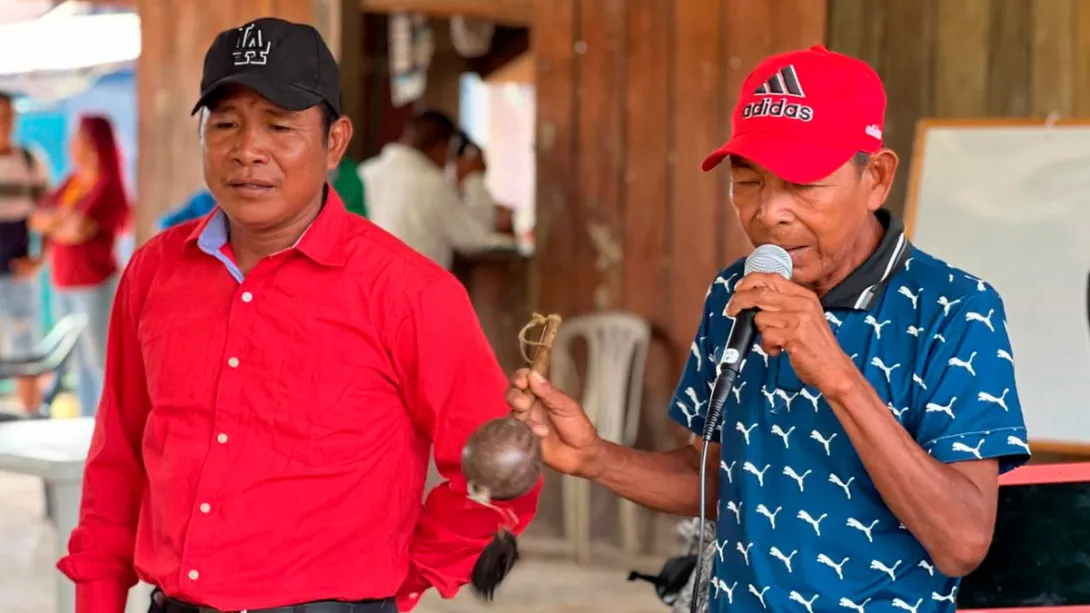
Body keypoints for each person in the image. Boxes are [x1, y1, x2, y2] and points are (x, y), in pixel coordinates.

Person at [508, 45, 1031, 612]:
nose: (769, 213)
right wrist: (596, 458)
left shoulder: (955, 310)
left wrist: (838, 376)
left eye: (803, 184)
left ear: (875, 178)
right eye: (748, 181)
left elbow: (962, 542)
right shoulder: (735, 293)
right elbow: (719, 477)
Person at [57, 17, 540, 613]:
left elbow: (503, 470)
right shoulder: (155, 273)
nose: (247, 150)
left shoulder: (410, 292)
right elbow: (117, 459)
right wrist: (97, 599)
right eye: (225, 124)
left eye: (279, 126)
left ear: (335, 142)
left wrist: (406, 580)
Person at [29, 114, 129, 418]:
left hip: (94, 282)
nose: (74, 145)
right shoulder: (73, 182)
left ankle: (108, 423)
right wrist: (62, 223)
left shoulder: (108, 186)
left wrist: (56, 223)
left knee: (99, 359)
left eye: (81, 138)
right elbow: (38, 219)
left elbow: (79, 229)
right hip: (63, 280)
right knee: (77, 361)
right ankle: (89, 423)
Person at [359, 111, 499, 269]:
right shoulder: (433, 185)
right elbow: (476, 239)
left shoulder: (364, 173)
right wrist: (475, 179)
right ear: (442, 148)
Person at [0, 91, 49, 415]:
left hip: (17, 271)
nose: (5, 123)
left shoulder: (30, 162)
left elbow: (50, 216)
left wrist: (39, 259)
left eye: (9, 116)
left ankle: (30, 417)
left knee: (25, 346)